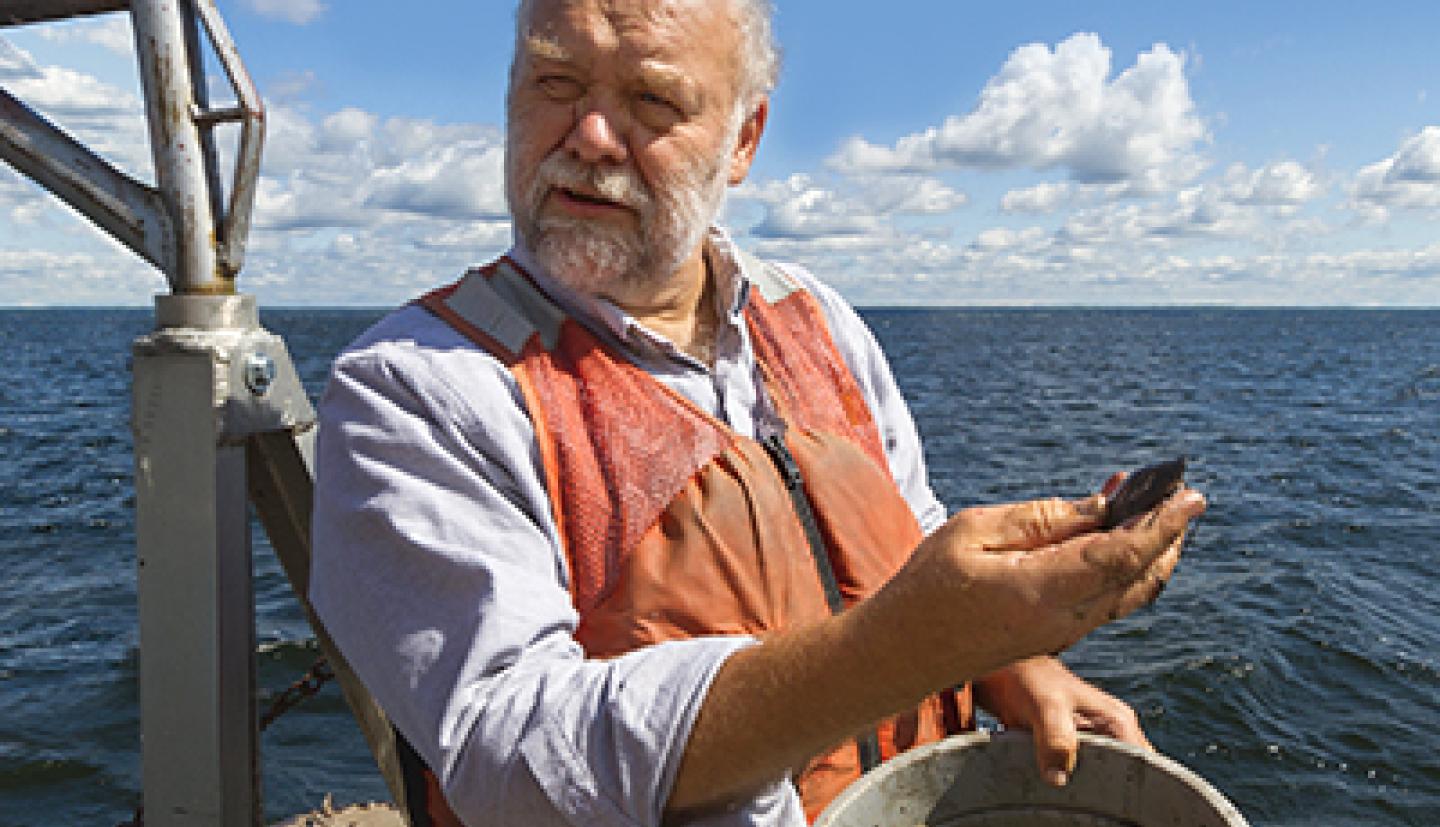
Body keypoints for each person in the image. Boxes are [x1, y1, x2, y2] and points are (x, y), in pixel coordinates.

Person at [309, 0, 1206, 824]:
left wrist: (1004, 653)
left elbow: (908, 528)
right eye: (554, 82)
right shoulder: (417, 390)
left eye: (653, 100)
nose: (588, 134)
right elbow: (508, 756)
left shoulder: (815, 318)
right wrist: (911, 648)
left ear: (743, 141)